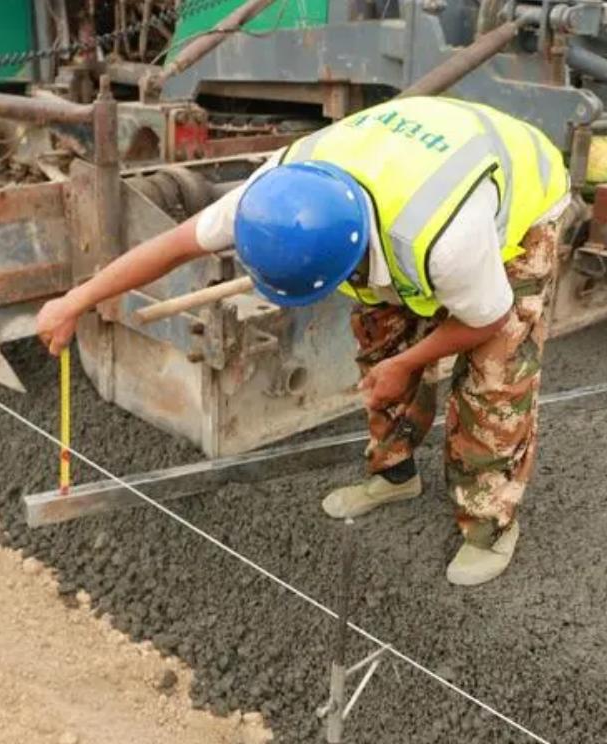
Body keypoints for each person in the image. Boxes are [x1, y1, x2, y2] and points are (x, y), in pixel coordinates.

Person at [36, 96, 573, 586]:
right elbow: (174, 246)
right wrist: (75, 301)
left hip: (518, 191)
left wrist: (408, 363)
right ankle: (395, 475)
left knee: (495, 378)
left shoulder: (446, 243)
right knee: (380, 342)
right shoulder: (270, 199)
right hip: (408, 172)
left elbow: (486, 321)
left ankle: (490, 524)